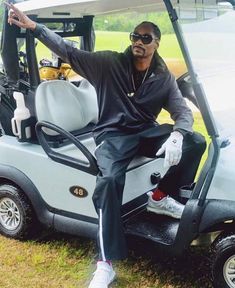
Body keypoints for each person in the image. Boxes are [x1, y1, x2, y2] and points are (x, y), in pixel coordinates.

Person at [7, 3, 206, 288]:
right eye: (135, 37)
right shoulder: (109, 63)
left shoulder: (163, 77)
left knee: (195, 141)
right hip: (112, 135)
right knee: (110, 181)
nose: (138, 42)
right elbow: (69, 51)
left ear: (157, 43)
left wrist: (177, 134)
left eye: (145, 38)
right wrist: (35, 28)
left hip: (145, 132)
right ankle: (105, 263)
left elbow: (183, 113)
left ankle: (159, 197)